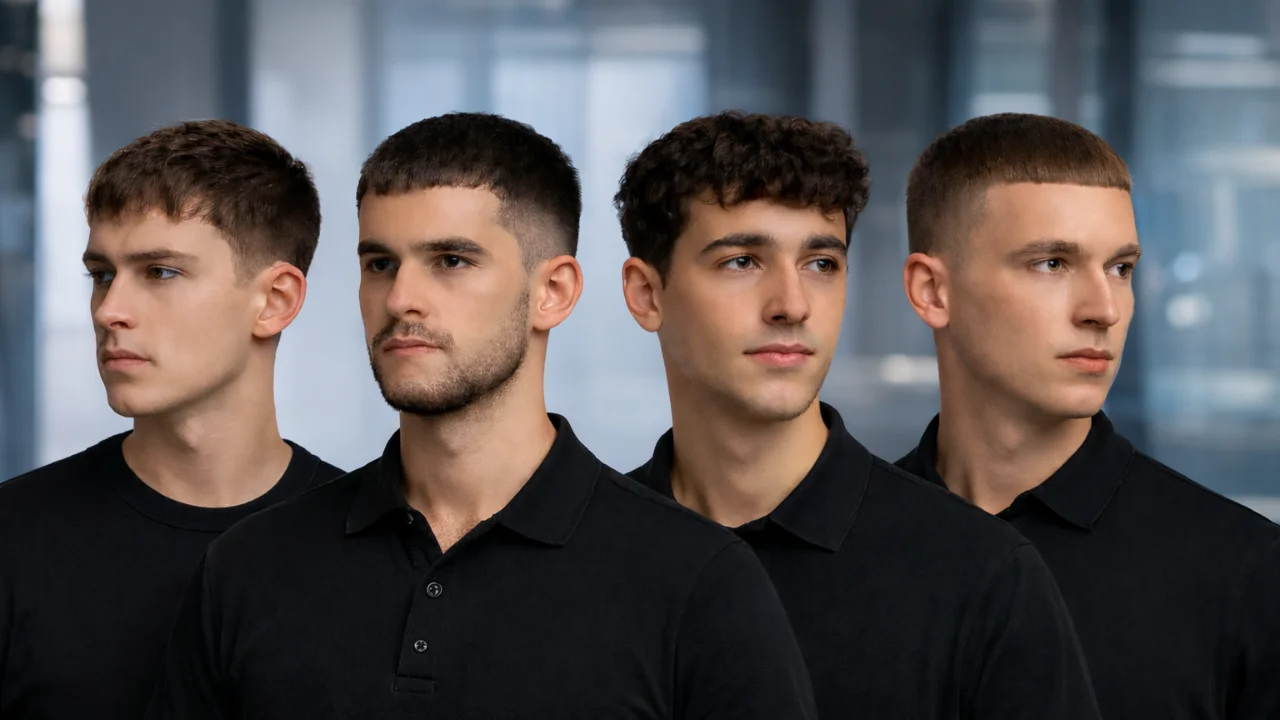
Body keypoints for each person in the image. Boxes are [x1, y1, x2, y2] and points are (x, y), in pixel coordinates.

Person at [145, 112, 816, 720]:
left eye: (451, 261)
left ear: (553, 292)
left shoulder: (699, 581)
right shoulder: (248, 568)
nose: (401, 298)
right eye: (380, 263)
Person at [617, 111, 1101, 719]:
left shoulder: (982, 576)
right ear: (647, 294)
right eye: (742, 261)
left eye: (821, 264)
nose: (792, 305)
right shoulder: (587, 561)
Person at [895, 112, 1280, 719]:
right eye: (1052, 263)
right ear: (932, 291)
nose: (1104, 309)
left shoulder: (1247, 574)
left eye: (1120, 269)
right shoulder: (836, 551)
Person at [0, 119, 344, 720]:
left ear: (275, 300)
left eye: (160, 272)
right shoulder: (12, 538)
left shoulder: (374, 547)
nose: (109, 310)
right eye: (102, 275)